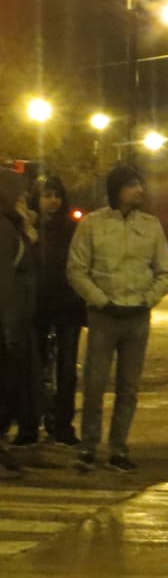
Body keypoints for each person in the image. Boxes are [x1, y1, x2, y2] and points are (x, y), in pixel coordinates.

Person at [67, 164, 168, 473]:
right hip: (104, 315)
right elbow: (76, 269)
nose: (139, 190)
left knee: (129, 387)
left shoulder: (151, 226)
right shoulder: (92, 225)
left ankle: (118, 448)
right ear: (116, 190)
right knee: (94, 383)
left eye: (140, 184)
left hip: (137, 317)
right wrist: (101, 301)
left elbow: (165, 272)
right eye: (132, 185)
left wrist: (146, 300)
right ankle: (89, 446)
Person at [30, 175, 87, 447]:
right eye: (46, 195)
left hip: (67, 306)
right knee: (35, 367)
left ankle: (63, 424)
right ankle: (33, 421)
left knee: (67, 368)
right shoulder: (28, 229)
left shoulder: (73, 229)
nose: (53, 201)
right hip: (37, 308)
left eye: (57, 195)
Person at [0, 167, 34, 475]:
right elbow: (6, 280)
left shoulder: (13, 225)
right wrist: (11, 327)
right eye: (19, 192)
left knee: (12, 385)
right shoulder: (3, 229)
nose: (24, 198)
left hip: (15, 319)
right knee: (7, 385)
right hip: (6, 323)